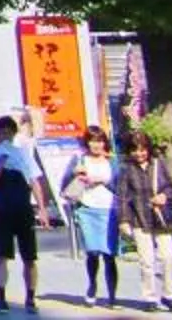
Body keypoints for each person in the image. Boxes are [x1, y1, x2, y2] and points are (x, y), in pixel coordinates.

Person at [0, 114, 58, 314]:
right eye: (1, 132)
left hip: (23, 209)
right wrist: (1, 161)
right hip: (2, 209)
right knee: (1, 256)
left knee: (30, 257)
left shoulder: (23, 154)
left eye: (8, 132)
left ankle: (30, 299)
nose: (5, 136)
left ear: (14, 133)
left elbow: (34, 182)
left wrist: (42, 210)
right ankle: (0, 298)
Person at [114, 129, 172, 313]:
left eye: (143, 149)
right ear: (129, 151)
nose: (139, 153)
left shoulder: (158, 165)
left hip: (161, 217)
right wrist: (123, 221)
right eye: (135, 149)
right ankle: (149, 297)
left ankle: (169, 295)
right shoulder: (126, 170)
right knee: (147, 261)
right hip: (139, 218)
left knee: (167, 258)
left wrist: (164, 196)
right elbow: (122, 198)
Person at [60, 126, 119, 306]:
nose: (97, 145)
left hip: (110, 209)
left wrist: (102, 181)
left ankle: (112, 295)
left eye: (100, 141)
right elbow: (64, 183)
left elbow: (120, 185)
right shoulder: (80, 159)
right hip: (87, 208)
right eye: (93, 141)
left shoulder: (112, 161)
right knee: (92, 252)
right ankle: (92, 285)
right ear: (87, 142)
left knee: (109, 254)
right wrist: (75, 174)